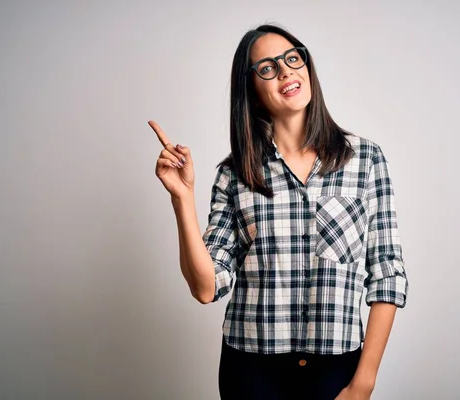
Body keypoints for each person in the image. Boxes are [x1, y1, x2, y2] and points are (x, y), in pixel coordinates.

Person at [149, 23, 409, 400]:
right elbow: (206, 287)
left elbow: (387, 271)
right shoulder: (235, 173)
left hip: (337, 368)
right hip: (251, 372)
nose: (286, 70)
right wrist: (182, 198)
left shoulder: (365, 159)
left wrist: (363, 381)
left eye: (292, 57)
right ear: (252, 91)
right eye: (267, 67)